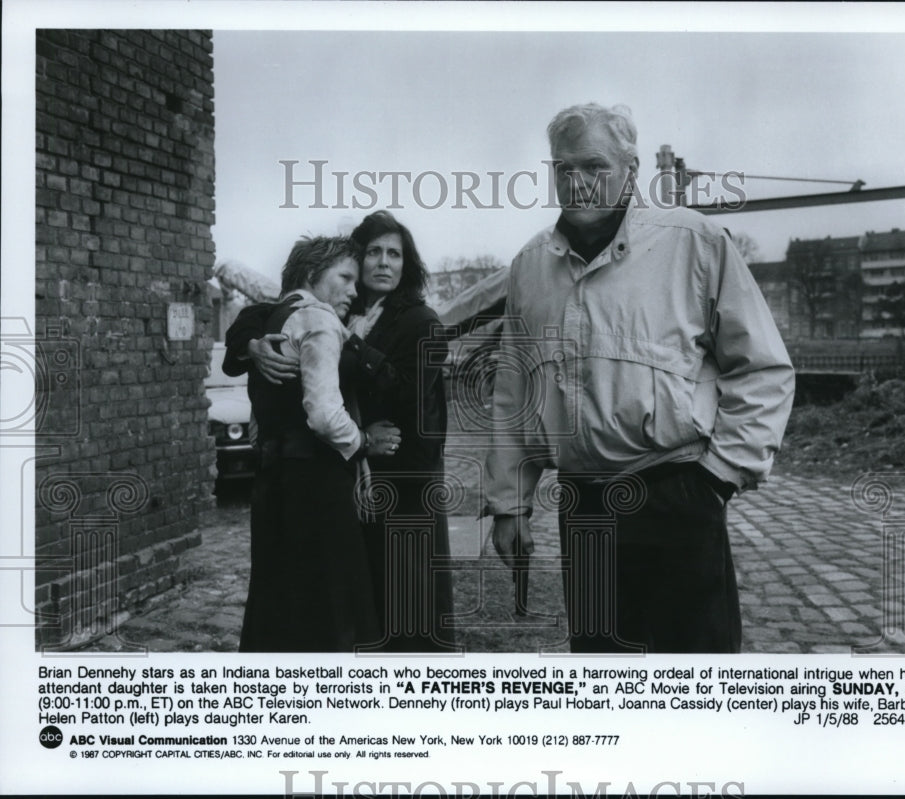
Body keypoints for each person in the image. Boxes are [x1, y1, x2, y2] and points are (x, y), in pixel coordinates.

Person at [485, 103, 795, 653]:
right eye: (563, 168)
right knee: (607, 680)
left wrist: (719, 477)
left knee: (696, 681)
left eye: (593, 166)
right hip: (584, 508)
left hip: (676, 494)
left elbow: (763, 368)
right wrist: (510, 504)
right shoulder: (530, 266)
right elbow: (514, 390)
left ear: (631, 169)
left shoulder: (693, 242)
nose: (576, 182)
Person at [232, 212, 455, 652]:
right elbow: (257, 314)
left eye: (395, 253)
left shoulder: (419, 321)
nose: (384, 263)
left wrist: (362, 430)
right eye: (373, 252)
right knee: (347, 608)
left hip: (399, 485)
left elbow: (409, 399)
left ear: (407, 264)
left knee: (404, 611)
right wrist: (252, 346)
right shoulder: (332, 307)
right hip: (345, 478)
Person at [238, 235, 401, 652]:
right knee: (329, 611)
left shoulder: (275, 317)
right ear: (312, 274)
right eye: (345, 278)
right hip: (316, 484)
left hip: (273, 483)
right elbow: (325, 415)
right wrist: (363, 440)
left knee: (280, 606)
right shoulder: (319, 318)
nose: (353, 290)